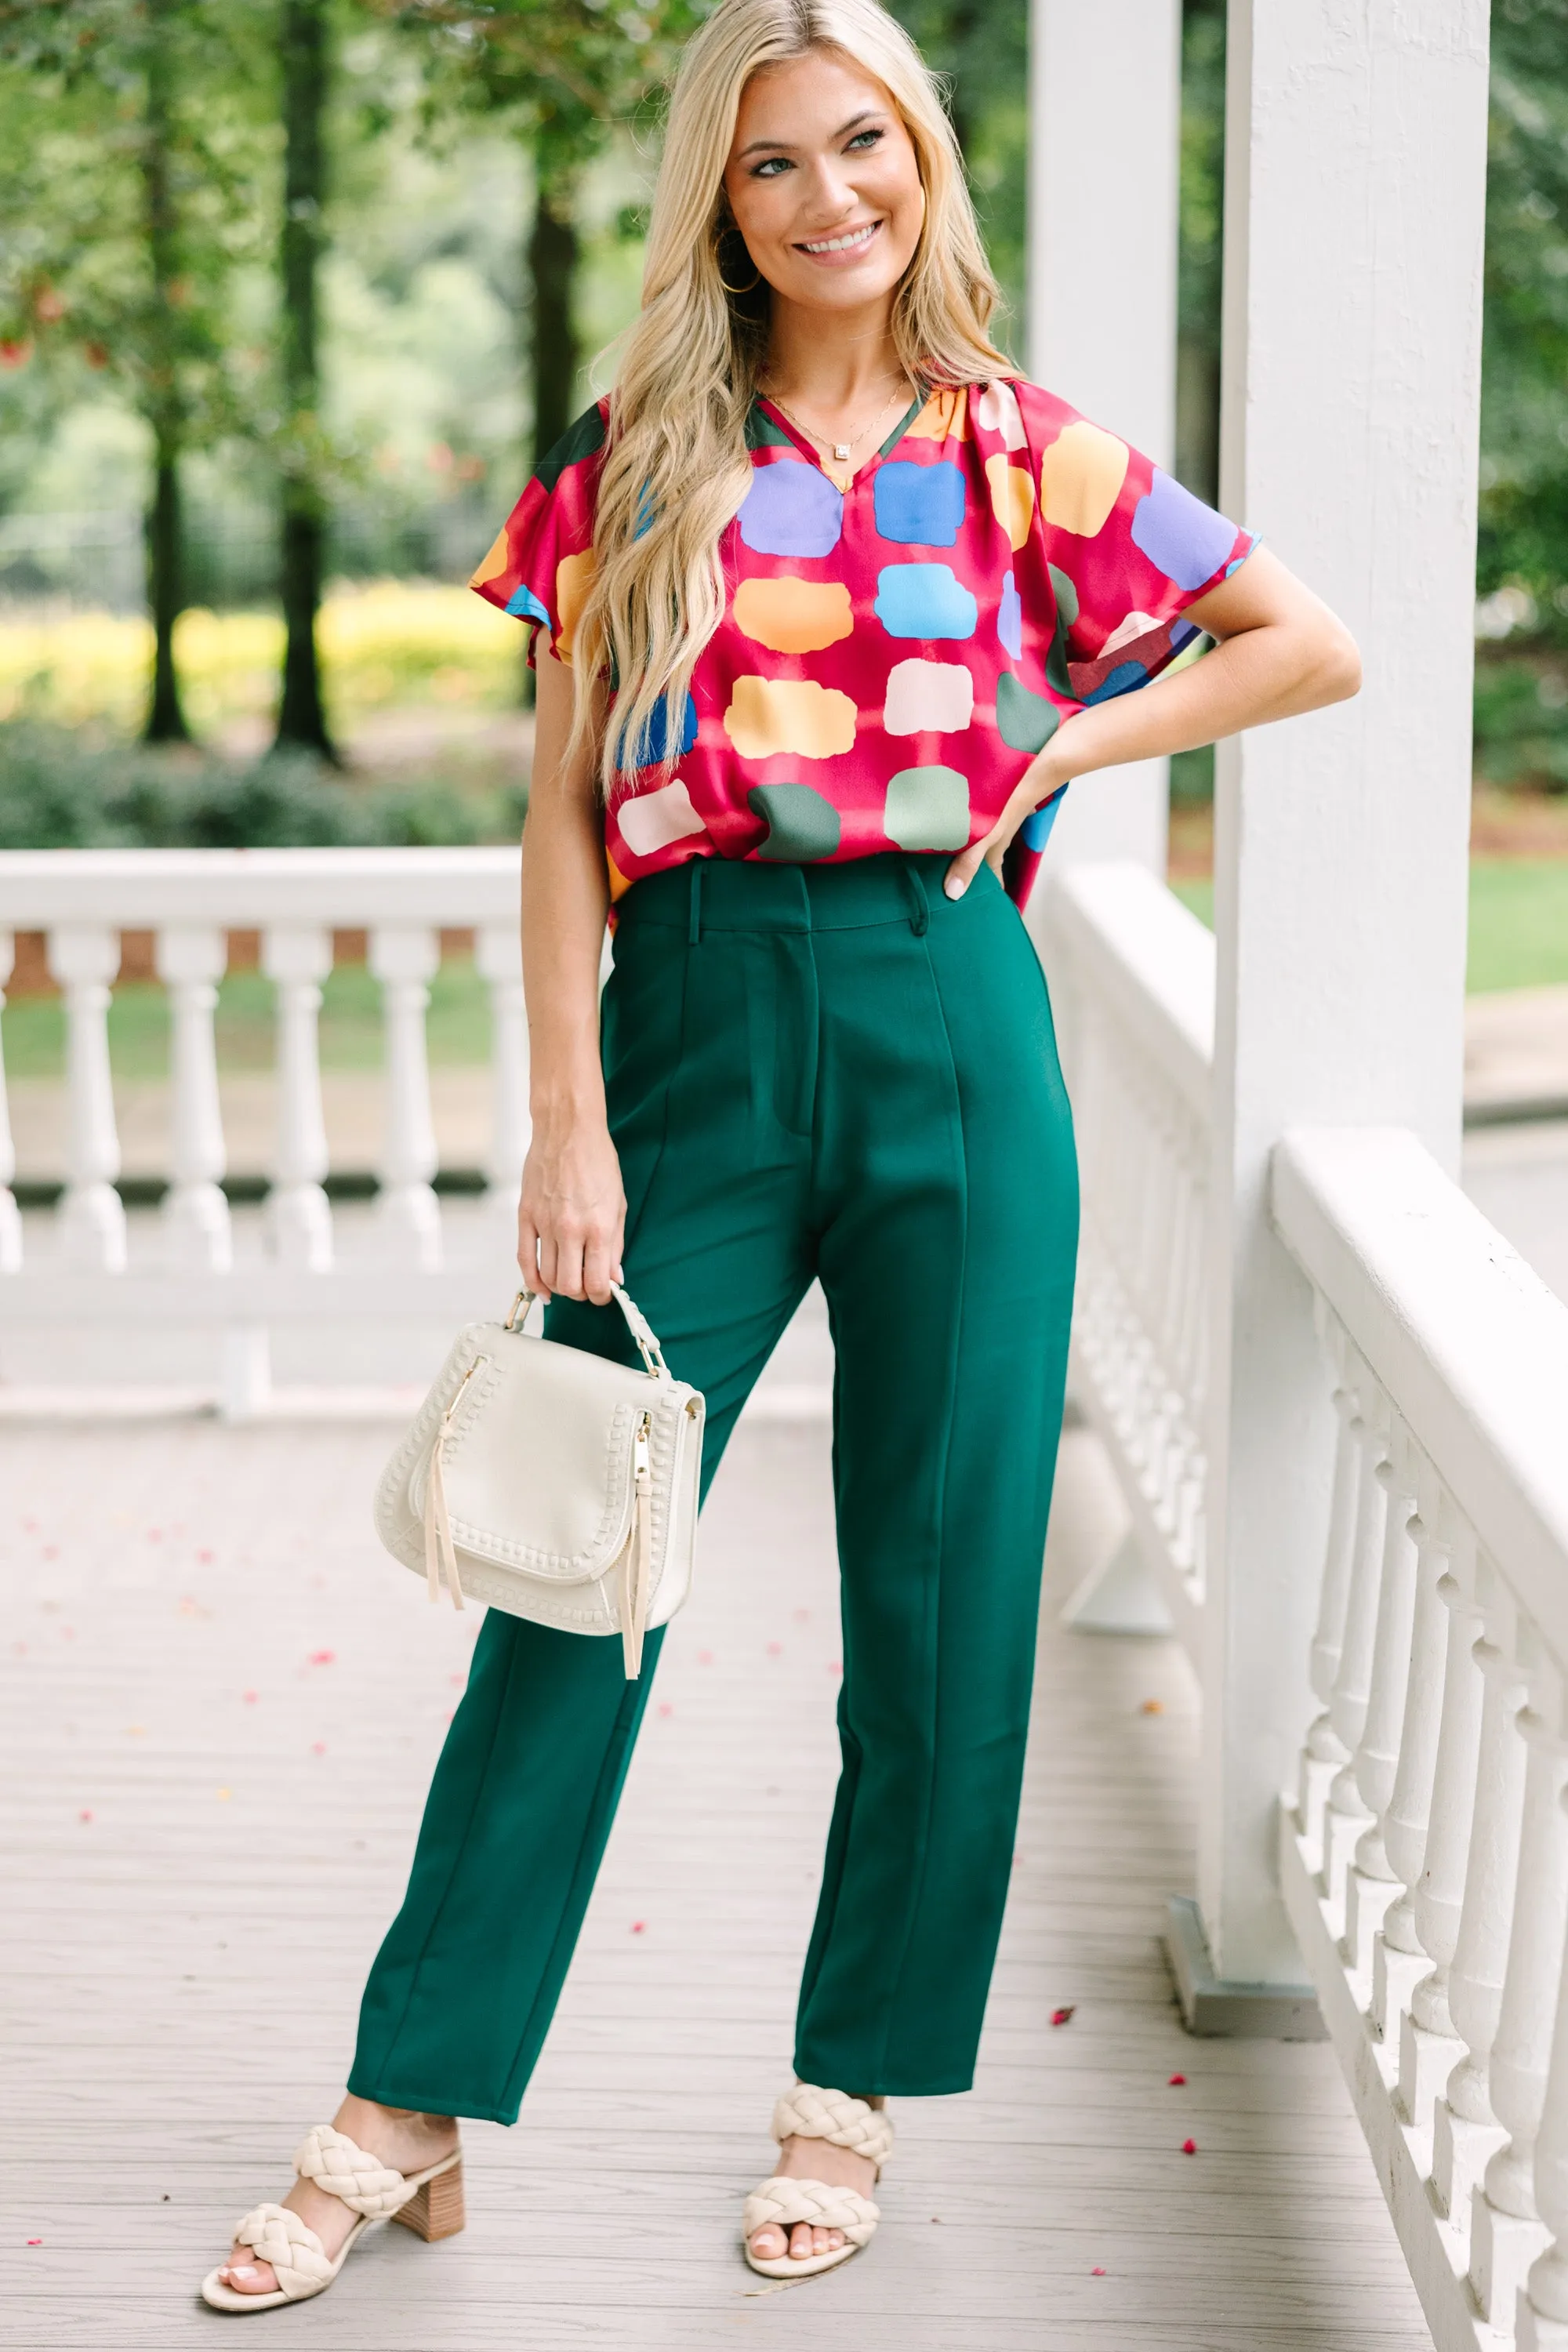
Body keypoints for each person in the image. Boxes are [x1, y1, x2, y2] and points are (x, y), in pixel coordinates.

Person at [202, 0, 1359, 2310]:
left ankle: (851, 2093)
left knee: (940, 1607)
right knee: (572, 1573)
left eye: (866, 147)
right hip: (698, 1028)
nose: (832, 196)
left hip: (953, 1025)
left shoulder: (1028, 452)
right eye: (773, 167)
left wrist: (1060, 751)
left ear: (923, 162)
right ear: (716, 207)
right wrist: (569, 1126)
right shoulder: (640, 448)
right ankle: (404, 2101)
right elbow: (554, 817)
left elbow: (1299, 642)